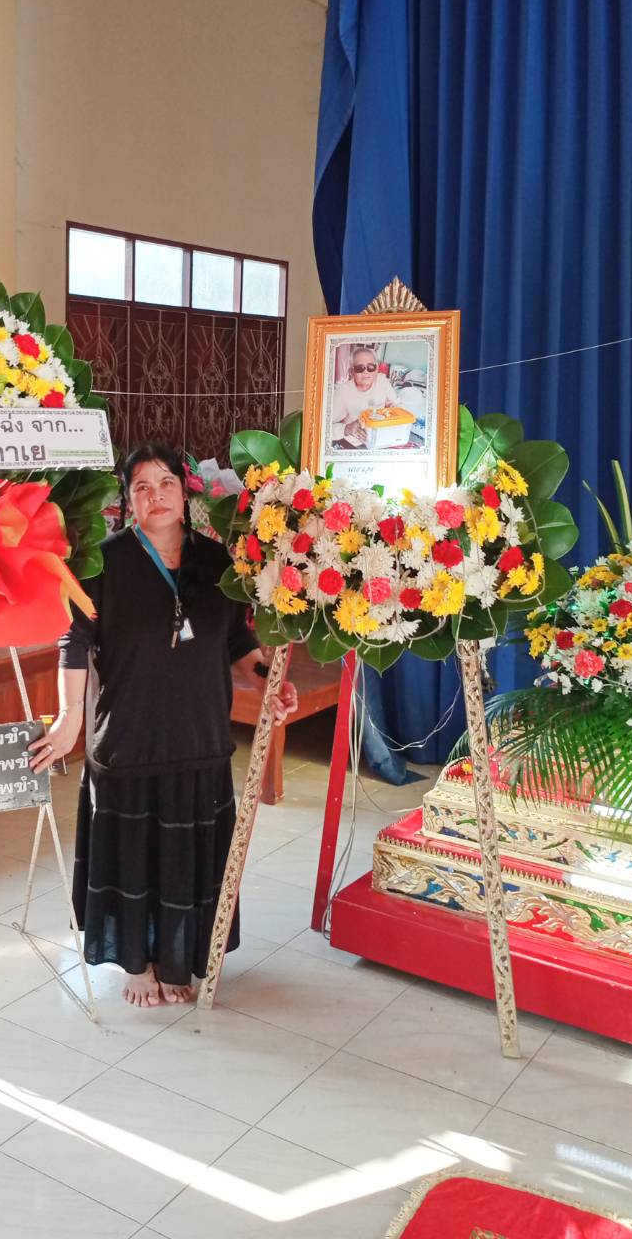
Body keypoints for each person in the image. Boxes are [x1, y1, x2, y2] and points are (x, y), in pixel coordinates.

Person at [29, 441, 298, 1008]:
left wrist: (265, 680)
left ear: (185, 490)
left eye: (166, 483)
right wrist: (69, 718)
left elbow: (236, 638)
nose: (156, 496)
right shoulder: (103, 563)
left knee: (185, 859)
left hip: (199, 736)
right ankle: (137, 964)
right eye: (142, 487)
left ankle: (177, 958)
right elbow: (74, 642)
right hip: (129, 737)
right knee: (134, 857)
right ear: (128, 501)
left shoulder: (216, 561)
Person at [330, 347, 398, 449]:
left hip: (381, 438)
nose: (366, 372)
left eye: (370, 367)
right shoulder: (342, 392)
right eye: (359, 368)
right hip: (356, 444)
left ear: (377, 368)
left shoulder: (383, 381)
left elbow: (397, 405)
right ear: (351, 372)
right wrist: (347, 429)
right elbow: (323, 427)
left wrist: (393, 410)